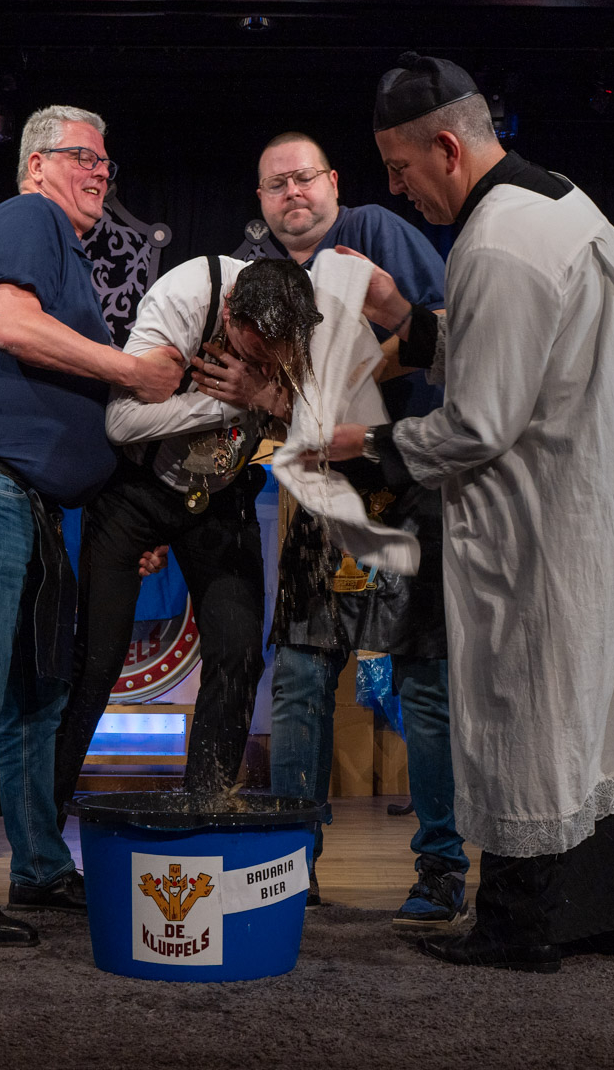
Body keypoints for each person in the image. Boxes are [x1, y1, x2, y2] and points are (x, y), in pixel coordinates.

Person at [316, 52, 614, 970]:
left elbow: (477, 422)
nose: (398, 190)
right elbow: (515, 349)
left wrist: (365, 446)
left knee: (531, 703)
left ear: (447, 147)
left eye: (400, 169)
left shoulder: (496, 240)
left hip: (550, 512)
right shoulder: (557, 202)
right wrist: (406, 316)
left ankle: (520, 924)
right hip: (604, 494)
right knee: (600, 709)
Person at [0, 105, 181, 946]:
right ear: (34, 166)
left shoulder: (63, 253)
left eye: (105, 161)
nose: (100, 171)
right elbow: (11, 326)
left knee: (35, 697)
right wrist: (131, 370)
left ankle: (40, 868)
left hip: (21, 498)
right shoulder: (28, 217)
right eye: (82, 157)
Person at [254, 132, 469, 926]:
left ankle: (440, 869)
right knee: (301, 678)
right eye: (275, 184)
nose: (292, 193)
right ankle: (288, 869)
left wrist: (334, 390)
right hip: (317, 497)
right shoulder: (255, 272)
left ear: (333, 182)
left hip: (407, 481)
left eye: (303, 177)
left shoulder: (374, 228)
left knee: (423, 682)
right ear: (260, 202)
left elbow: (442, 328)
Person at [56, 257, 319, 819]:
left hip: (221, 496)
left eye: (274, 358)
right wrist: (225, 402)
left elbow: (323, 424)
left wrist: (271, 398)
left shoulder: (301, 320)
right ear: (229, 313)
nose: (264, 364)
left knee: (239, 650)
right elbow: (120, 424)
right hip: (136, 491)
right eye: (253, 352)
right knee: (97, 660)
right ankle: (44, 825)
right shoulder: (186, 296)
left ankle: (207, 805)